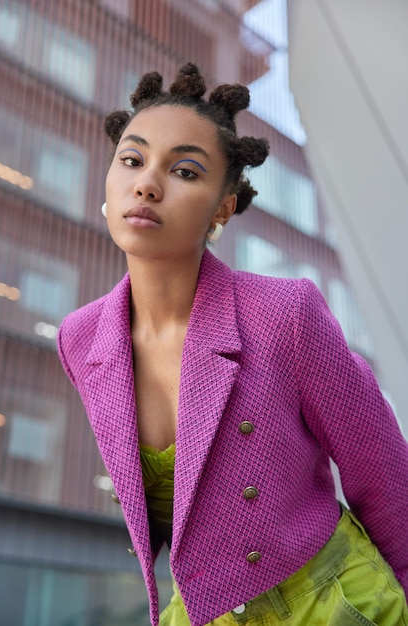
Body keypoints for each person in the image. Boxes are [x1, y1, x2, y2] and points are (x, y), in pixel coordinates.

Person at [57, 63, 408, 626]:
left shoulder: (284, 314)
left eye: (186, 171)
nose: (147, 183)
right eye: (132, 159)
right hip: (204, 611)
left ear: (223, 208)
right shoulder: (81, 338)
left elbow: (385, 476)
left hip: (337, 602)